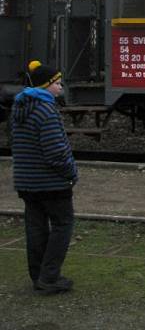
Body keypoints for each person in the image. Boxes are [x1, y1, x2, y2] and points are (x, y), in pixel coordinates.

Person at [10, 60, 78, 294]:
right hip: (51, 183)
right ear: (46, 86)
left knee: (36, 228)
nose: (60, 88)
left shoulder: (20, 109)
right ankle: (49, 277)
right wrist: (71, 173)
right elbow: (56, 152)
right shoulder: (46, 111)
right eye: (57, 83)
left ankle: (37, 276)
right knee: (63, 224)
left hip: (27, 182)